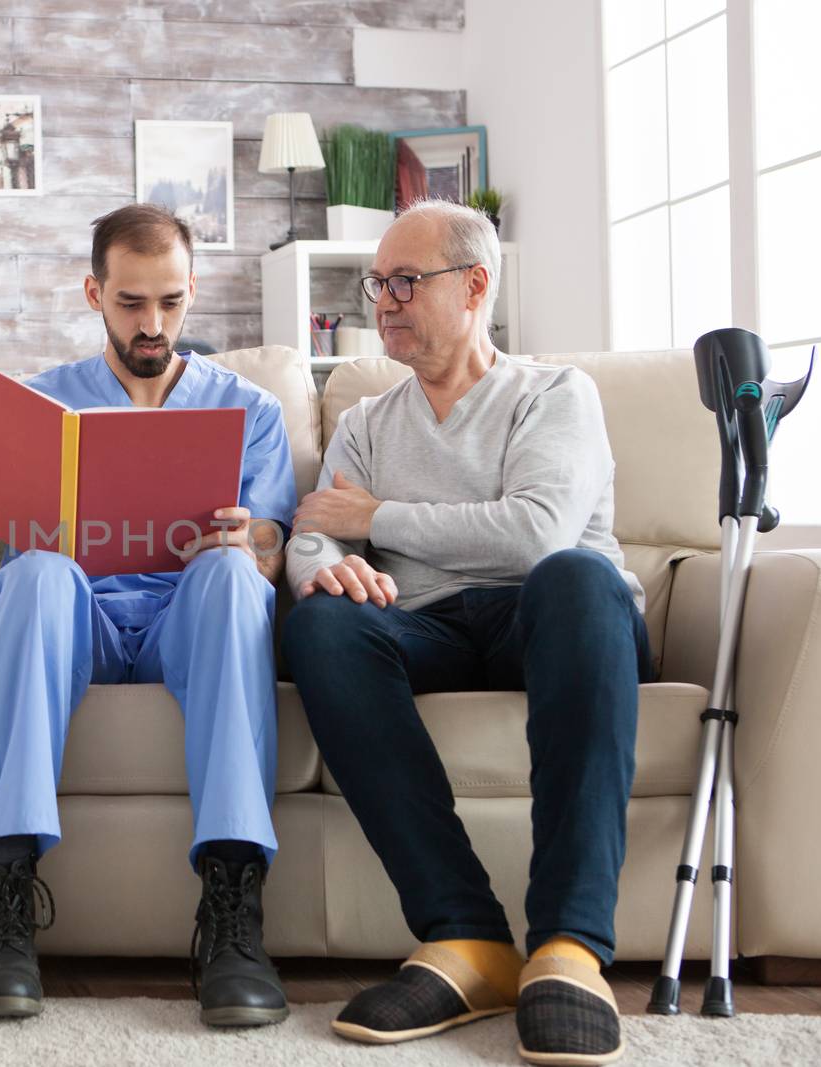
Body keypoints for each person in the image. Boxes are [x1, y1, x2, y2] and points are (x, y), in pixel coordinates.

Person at [0, 204, 299, 1027]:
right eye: (131, 302)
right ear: (94, 292)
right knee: (41, 571)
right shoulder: (32, 406)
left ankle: (234, 909)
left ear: (191, 292)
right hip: (71, 622)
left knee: (232, 577)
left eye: (170, 301)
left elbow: (274, 558)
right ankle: (5, 892)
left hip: (184, 621)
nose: (153, 324)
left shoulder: (252, 413)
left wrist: (254, 539)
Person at [282, 199, 647, 1066]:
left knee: (576, 574)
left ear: (476, 284)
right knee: (323, 627)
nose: (385, 300)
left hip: (557, 619)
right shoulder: (369, 422)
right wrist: (321, 567)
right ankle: (466, 936)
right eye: (379, 284)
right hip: (430, 628)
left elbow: (536, 535)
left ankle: (569, 946)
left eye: (406, 281)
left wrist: (378, 515)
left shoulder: (555, 394)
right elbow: (313, 529)